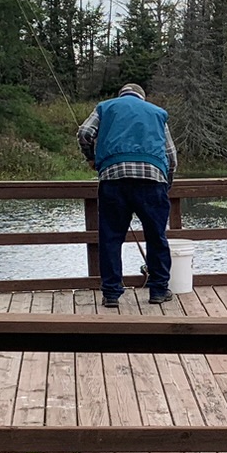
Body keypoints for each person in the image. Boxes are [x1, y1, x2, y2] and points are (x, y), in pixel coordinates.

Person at [77, 83, 178, 309]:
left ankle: (111, 294)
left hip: (114, 180)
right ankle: (159, 290)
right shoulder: (157, 113)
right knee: (156, 237)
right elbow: (171, 156)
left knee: (111, 238)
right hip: (152, 181)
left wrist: (90, 157)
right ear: (141, 98)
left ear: (121, 95)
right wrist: (166, 183)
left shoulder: (105, 107)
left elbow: (84, 133)